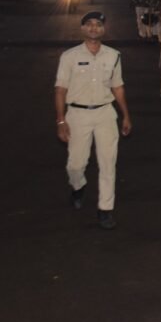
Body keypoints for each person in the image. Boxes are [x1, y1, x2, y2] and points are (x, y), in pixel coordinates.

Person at [54, 12, 133, 231]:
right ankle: (78, 186)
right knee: (76, 164)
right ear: (82, 28)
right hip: (77, 115)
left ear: (103, 29)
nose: (94, 28)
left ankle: (105, 209)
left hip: (105, 113)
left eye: (98, 25)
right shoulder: (69, 56)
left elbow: (117, 87)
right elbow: (60, 90)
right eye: (89, 24)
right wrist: (61, 120)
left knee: (108, 163)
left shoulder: (113, 55)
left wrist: (126, 114)